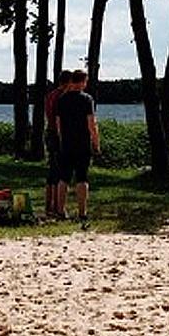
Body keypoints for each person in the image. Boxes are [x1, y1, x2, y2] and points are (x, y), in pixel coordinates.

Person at [54, 69, 100, 226]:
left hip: (66, 143)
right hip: (82, 143)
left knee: (63, 178)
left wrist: (62, 139)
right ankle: (82, 212)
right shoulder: (87, 99)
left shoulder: (61, 99)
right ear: (81, 82)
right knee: (82, 178)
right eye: (85, 82)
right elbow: (91, 124)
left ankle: (60, 210)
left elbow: (58, 123)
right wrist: (96, 142)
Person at [42, 70, 73, 218]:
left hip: (50, 132)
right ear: (68, 82)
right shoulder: (62, 97)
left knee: (52, 172)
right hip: (58, 135)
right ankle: (56, 207)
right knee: (60, 171)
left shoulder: (50, 96)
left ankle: (49, 205)